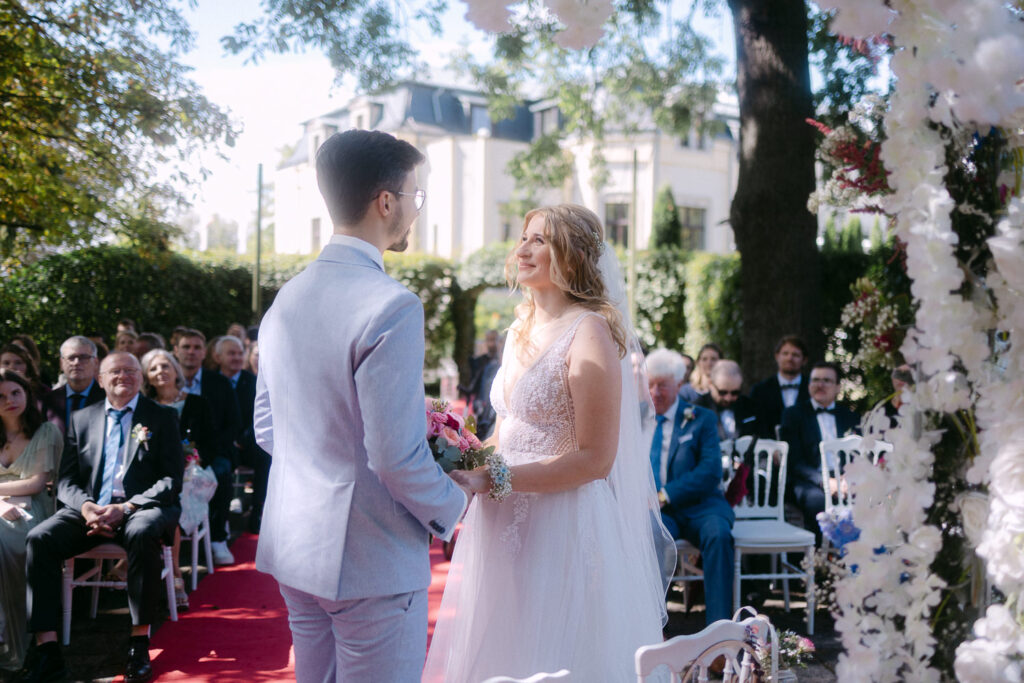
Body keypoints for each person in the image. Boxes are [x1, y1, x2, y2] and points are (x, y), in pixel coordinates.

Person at [255, 129, 467, 683]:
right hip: (371, 559)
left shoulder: (287, 297)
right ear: (387, 202)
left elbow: (265, 426)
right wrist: (453, 506)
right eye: (415, 198)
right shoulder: (391, 305)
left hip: (296, 544)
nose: (415, 212)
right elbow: (394, 456)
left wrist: (327, 467)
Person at [425, 204, 672, 681]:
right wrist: (460, 452)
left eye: (539, 239)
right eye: (523, 238)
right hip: (502, 516)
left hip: (562, 521)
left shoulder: (591, 332)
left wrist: (493, 477)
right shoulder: (519, 329)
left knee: (556, 652)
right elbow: (509, 430)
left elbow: (596, 459)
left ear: (573, 255)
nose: (523, 249)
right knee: (502, 646)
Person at [19, 352, 183, 683]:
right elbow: (66, 480)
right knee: (40, 539)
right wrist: (86, 507)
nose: (124, 376)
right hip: (90, 509)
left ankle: (138, 642)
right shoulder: (81, 418)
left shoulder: (161, 416)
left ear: (140, 377)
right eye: (116, 371)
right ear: (100, 379)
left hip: (140, 508)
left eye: (131, 370)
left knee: (142, 532)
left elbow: (170, 480)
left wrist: (127, 507)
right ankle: (46, 649)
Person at [645, 348, 734, 625]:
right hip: (659, 513)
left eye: (662, 385)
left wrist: (666, 494)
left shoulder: (702, 418)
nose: (655, 392)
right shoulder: (636, 418)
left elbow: (710, 471)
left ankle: (719, 630)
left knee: (719, 535)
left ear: (679, 385)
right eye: (650, 385)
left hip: (701, 507)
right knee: (647, 534)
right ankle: (653, 624)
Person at [140, 349, 217, 611]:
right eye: (153, 368)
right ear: (147, 378)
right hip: (156, 475)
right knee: (165, 495)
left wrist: (192, 458)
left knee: (173, 496)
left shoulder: (198, 403)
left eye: (165, 366)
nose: (160, 372)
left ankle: (170, 574)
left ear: (175, 370)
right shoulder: (143, 408)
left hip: (193, 473)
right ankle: (173, 573)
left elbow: (210, 442)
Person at [0, 371, 61, 673]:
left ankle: (12, 636)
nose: (9, 401)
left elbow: (37, 484)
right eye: (1, 396)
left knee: (7, 538)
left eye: (15, 393)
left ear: (27, 394)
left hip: (32, 510)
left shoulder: (45, 431)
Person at [173, 329, 239, 566]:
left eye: (197, 347)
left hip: (212, 450)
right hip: (171, 452)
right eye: (186, 347)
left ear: (205, 353)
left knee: (220, 473)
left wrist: (202, 455)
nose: (191, 352)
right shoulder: (165, 379)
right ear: (176, 351)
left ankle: (218, 537)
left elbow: (234, 423)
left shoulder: (219, 383)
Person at [780, 361, 860, 533]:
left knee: (869, 498)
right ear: (809, 385)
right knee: (818, 504)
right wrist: (825, 481)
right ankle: (819, 557)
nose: (820, 385)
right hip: (808, 481)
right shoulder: (793, 415)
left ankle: (857, 554)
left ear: (838, 387)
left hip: (844, 479)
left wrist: (846, 479)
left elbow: (858, 454)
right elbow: (794, 462)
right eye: (815, 380)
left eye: (826, 380)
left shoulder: (850, 417)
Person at [214, 335, 270, 532]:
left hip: (247, 444)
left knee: (266, 457)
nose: (237, 358)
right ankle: (221, 520)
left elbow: (260, 416)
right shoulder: (211, 381)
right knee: (219, 466)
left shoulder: (253, 382)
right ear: (217, 356)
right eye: (231, 353)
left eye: (240, 353)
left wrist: (242, 440)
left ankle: (257, 512)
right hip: (220, 444)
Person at [43, 337, 106, 436]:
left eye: (83, 357)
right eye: (71, 358)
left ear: (96, 363)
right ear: (61, 363)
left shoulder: (107, 399)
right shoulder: (49, 400)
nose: (76, 362)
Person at [750, 335, 810, 439]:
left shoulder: (813, 388)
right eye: (785, 353)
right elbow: (757, 425)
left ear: (804, 360)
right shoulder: (760, 390)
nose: (789, 358)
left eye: (795, 355)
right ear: (777, 356)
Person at [694, 359, 760, 441]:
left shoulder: (751, 406)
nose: (728, 398)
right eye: (723, 392)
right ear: (710, 384)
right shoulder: (698, 408)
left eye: (735, 392)